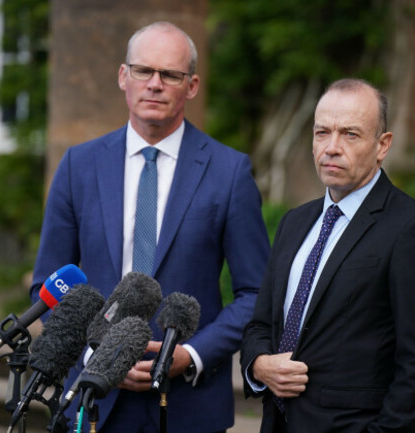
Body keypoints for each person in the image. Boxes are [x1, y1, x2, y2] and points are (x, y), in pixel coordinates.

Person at [30, 21, 269, 432]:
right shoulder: (79, 166)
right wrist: (96, 358)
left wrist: (191, 354)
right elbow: (50, 289)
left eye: (170, 75)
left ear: (191, 86)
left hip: (188, 408)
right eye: (143, 71)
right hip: (94, 402)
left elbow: (257, 294)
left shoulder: (229, 173)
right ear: (124, 76)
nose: (154, 84)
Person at [240, 78, 415, 433]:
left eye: (350, 134)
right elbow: (261, 323)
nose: (332, 147)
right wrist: (259, 365)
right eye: (322, 132)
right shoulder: (295, 223)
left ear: (382, 145)